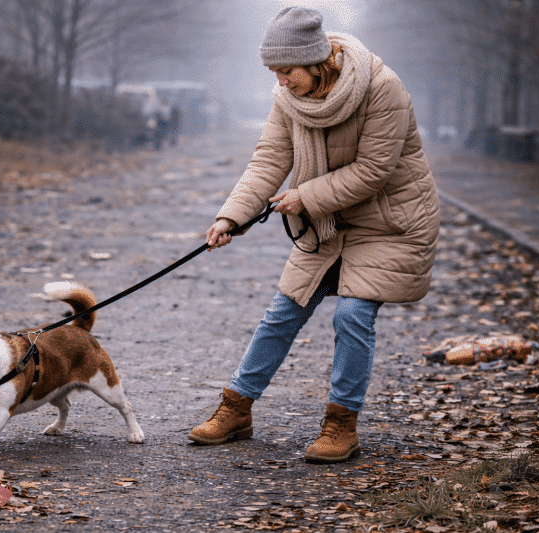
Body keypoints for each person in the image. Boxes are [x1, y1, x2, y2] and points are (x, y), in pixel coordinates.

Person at [188, 6, 439, 464]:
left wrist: (304, 196)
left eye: (287, 71)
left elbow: (374, 170)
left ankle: (341, 425)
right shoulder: (289, 99)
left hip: (388, 223)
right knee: (283, 311)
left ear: (317, 60)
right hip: (328, 223)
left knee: (352, 315)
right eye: (274, 72)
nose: (281, 81)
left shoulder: (382, 88)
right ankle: (236, 409)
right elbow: (268, 159)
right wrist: (231, 218)